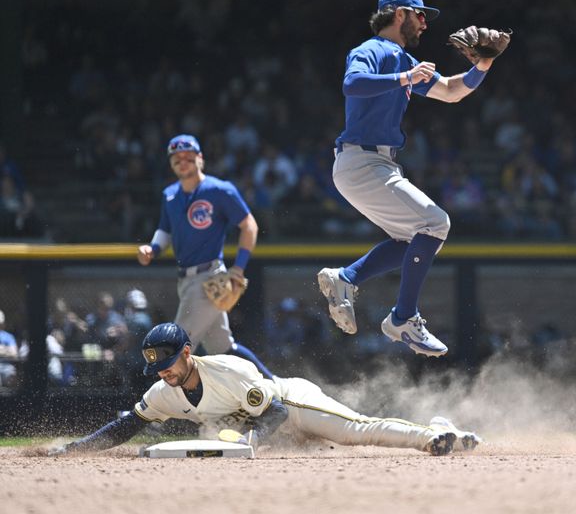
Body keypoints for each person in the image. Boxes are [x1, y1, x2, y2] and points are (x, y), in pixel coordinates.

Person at [317, 0, 505, 357]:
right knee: (436, 223)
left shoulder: (402, 58)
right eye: (420, 15)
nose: (424, 23)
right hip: (362, 161)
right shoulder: (374, 50)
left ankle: (347, 277)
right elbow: (351, 84)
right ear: (399, 13)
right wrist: (405, 78)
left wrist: (482, 65)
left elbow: (452, 91)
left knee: (414, 240)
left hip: (374, 163)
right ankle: (403, 317)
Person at [47, 323, 479, 457]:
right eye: (156, 368)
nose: (162, 373)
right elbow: (128, 426)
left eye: (167, 363)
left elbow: (272, 411)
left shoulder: (228, 370)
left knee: (355, 432)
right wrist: (78, 448)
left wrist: (250, 442)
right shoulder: (165, 391)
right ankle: (440, 429)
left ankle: (433, 435)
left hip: (288, 402)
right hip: (267, 430)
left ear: (187, 351)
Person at [137, 134, 274, 379]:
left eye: (189, 156)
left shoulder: (219, 190)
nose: (183, 161)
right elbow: (164, 230)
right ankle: (272, 390)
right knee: (224, 348)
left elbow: (249, 226)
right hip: (185, 281)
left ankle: (156, 414)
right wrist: (153, 249)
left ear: (200, 158)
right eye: (177, 158)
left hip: (207, 278)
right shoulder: (170, 194)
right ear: (171, 163)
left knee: (173, 348)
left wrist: (238, 269)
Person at [0, 310, 19, 387]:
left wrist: (2, 350)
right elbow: (10, 351)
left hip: (8, 366)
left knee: (12, 380)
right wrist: (7, 349)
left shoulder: (9, 337)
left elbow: (14, 353)